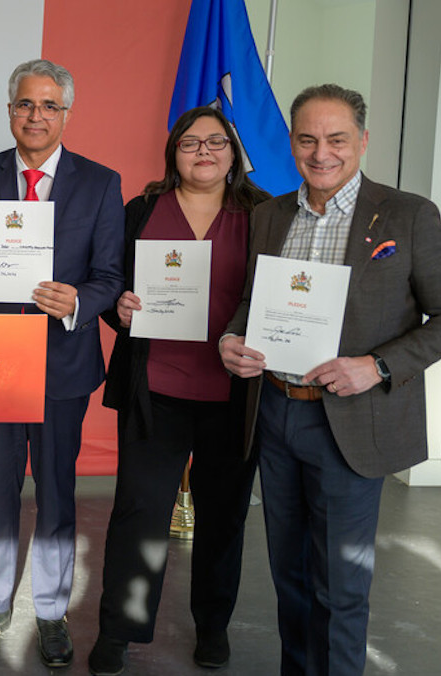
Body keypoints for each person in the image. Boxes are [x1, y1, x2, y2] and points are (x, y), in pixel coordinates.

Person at [220, 84, 441, 676]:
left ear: (362, 141)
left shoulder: (408, 214)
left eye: (337, 139)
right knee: (289, 580)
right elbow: (249, 302)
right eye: (307, 139)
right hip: (275, 412)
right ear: (291, 143)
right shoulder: (269, 215)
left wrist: (378, 365)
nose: (322, 153)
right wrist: (230, 340)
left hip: (352, 422)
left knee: (340, 587)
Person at [0, 58, 124, 669]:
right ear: (10, 110)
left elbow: (109, 277)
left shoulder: (101, 183)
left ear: (66, 114)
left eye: (49, 105)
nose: (36, 115)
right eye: (26, 104)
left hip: (64, 363)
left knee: (56, 489)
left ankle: (50, 611)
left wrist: (78, 301)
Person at [86, 107, 269, 676]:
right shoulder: (141, 209)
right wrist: (118, 310)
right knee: (138, 514)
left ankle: (212, 626)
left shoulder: (264, 214)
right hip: (155, 388)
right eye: (191, 143)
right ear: (173, 153)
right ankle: (119, 630)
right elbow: (112, 285)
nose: (204, 152)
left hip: (234, 393)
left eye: (217, 143)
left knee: (224, 516)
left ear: (234, 154)